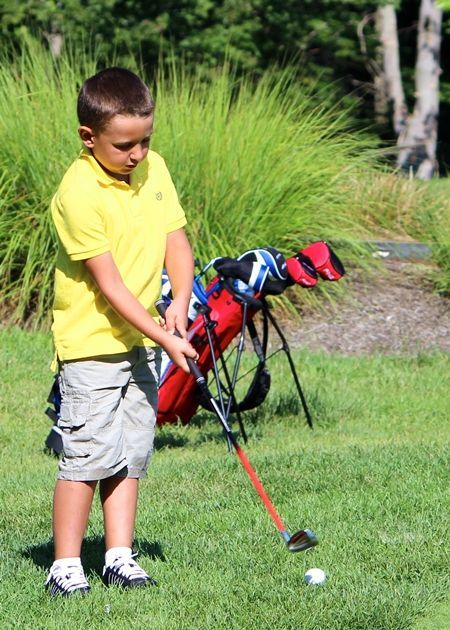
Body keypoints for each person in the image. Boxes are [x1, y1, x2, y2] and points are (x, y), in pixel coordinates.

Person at [45, 67, 198, 597]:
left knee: (132, 451)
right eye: (125, 145)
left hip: (139, 340)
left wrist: (178, 302)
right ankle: (65, 565)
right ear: (90, 137)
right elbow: (108, 284)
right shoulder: (77, 192)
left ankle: (119, 556)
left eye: (146, 140)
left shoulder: (154, 169)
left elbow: (175, 241)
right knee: (87, 455)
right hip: (91, 346)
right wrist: (165, 338)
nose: (137, 154)